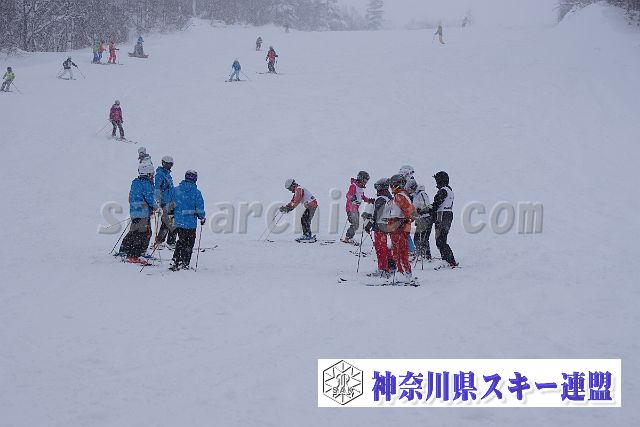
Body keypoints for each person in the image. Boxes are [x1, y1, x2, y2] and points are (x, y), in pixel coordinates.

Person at [119, 162, 158, 265]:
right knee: (142, 234)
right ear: (147, 173)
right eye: (151, 173)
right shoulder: (146, 184)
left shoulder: (135, 182)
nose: (152, 175)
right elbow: (149, 198)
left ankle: (125, 250)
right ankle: (133, 255)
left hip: (135, 212)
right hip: (142, 213)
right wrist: (156, 207)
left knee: (134, 232)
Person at [170, 170, 206, 271]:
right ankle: (184, 262)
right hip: (190, 223)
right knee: (189, 243)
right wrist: (202, 217)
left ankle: (176, 260)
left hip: (179, 221)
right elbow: (199, 208)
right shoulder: (196, 193)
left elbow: (171, 204)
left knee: (181, 240)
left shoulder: (176, 190)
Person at [385, 174, 416, 283]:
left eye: (392, 185)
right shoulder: (401, 195)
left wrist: (403, 221)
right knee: (400, 251)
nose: (391, 187)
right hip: (398, 228)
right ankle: (405, 273)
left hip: (398, 229)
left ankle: (403, 274)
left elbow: (409, 213)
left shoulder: (400, 196)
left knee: (399, 252)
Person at [362, 178, 395, 278]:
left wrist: (369, 225)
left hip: (379, 226)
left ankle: (383, 269)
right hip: (386, 225)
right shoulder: (388, 199)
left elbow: (377, 214)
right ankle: (391, 265)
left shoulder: (380, 199)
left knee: (380, 248)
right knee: (384, 247)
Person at [429, 171, 457, 267]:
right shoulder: (449, 190)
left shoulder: (443, 191)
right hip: (448, 215)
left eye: (437, 180)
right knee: (442, 239)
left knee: (440, 240)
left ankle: (450, 261)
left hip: (442, 216)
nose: (436, 182)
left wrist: (429, 211)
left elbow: (436, 204)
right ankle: (447, 260)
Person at [154, 156, 177, 249]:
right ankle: (159, 242)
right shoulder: (160, 175)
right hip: (164, 202)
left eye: (171, 164)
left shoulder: (168, 175)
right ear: (163, 163)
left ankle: (171, 242)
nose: (169, 166)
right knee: (166, 222)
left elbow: (170, 190)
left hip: (171, 202)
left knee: (173, 222)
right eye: (168, 164)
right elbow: (157, 189)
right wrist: (158, 202)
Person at [342, 171, 371, 245]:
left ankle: (348, 237)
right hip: (351, 209)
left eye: (366, 181)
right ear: (360, 178)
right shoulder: (353, 186)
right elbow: (348, 195)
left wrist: (369, 200)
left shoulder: (360, 188)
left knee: (356, 224)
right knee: (355, 223)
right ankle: (348, 238)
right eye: (364, 180)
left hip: (355, 210)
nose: (365, 182)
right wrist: (352, 198)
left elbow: (362, 197)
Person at [408, 178, 432, 260]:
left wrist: (421, 210)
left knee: (423, 238)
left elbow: (426, 205)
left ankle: (426, 255)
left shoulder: (421, 193)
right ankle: (421, 254)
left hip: (425, 218)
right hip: (420, 219)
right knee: (418, 238)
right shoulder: (416, 195)